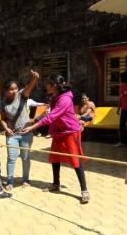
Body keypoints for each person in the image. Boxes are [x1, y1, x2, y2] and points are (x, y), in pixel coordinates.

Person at [21, 74, 91, 204]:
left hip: (70, 132)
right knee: (55, 158)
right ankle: (56, 184)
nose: (46, 86)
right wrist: (34, 120)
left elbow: (51, 117)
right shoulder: (55, 97)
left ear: (54, 86)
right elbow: (48, 113)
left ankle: (84, 190)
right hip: (59, 132)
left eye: (48, 84)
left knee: (75, 160)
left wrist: (33, 127)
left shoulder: (65, 99)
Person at [0, 70, 39, 191]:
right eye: (11, 89)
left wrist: (34, 79)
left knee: (25, 157)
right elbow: (3, 119)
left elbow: (28, 88)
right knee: (11, 158)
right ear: (6, 91)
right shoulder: (3, 103)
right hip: (12, 135)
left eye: (15, 88)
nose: (14, 91)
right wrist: (6, 128)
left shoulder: (21, 95)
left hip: (26, 133)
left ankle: (26, 179)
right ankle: (10, 181)